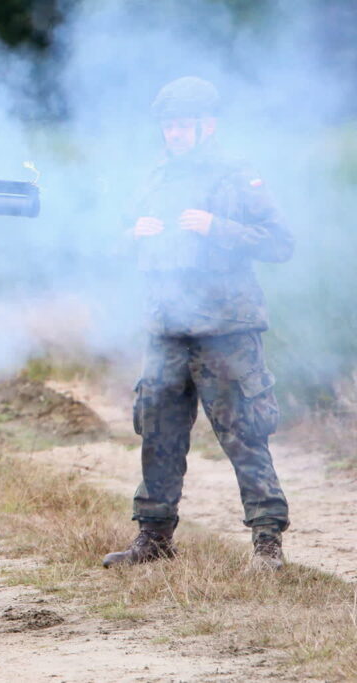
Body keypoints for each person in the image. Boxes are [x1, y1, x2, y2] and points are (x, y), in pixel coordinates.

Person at [103, 76, 293, 572]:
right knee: (158, 432)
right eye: (168, 125)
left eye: (183, 124)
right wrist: (130, 236)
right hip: (167, 329)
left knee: (244, 433)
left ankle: (267, 543)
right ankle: (154, 537)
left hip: (226, 331)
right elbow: (115, 243)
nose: (175, 133)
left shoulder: (238, 177)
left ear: (209, 125)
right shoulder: (153, 177)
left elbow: (280, 243)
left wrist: (219, 228)